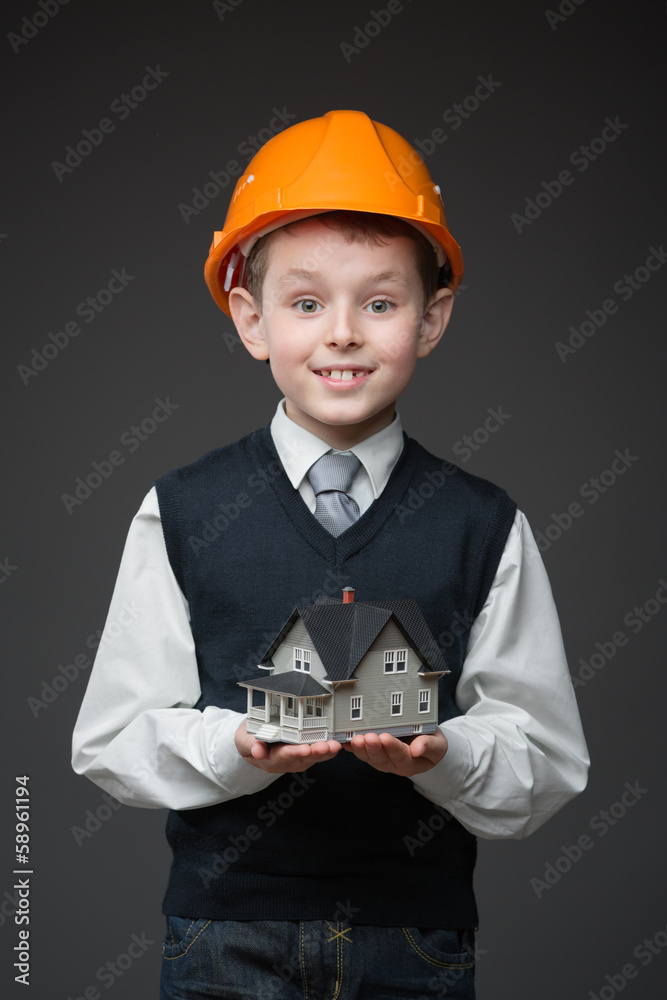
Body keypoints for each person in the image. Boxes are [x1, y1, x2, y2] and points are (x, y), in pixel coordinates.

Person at [72, 109, 589, 1000]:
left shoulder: (483, 522)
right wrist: (238, 743)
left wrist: (442, 758)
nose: (342, 333)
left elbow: (545, 760)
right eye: (306, 302)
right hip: (222, 938)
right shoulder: (182, 510)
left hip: (414, 941)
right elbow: (112, 739)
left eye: (379, 303)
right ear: (250, 318)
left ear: (431, 319)